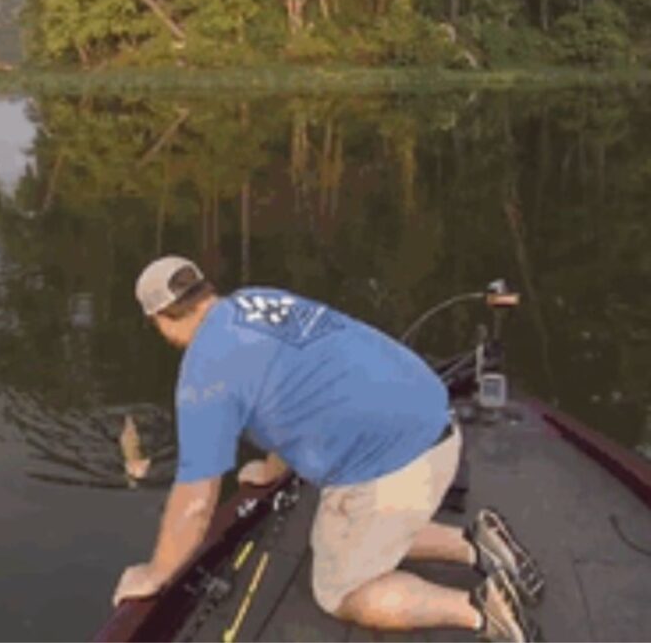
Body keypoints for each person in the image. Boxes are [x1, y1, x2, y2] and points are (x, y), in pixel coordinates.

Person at [112, 256, 545, 642]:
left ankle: (479, 611)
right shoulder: (255, 301)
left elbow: (195, 501)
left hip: (395, 462)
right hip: (433, 416)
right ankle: (476, 543)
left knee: (340, 591)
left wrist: (156, 573)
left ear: (159, 320)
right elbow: (293, 384)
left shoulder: (204, 371)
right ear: (205, 289)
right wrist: (270, 468)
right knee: (334, 536)